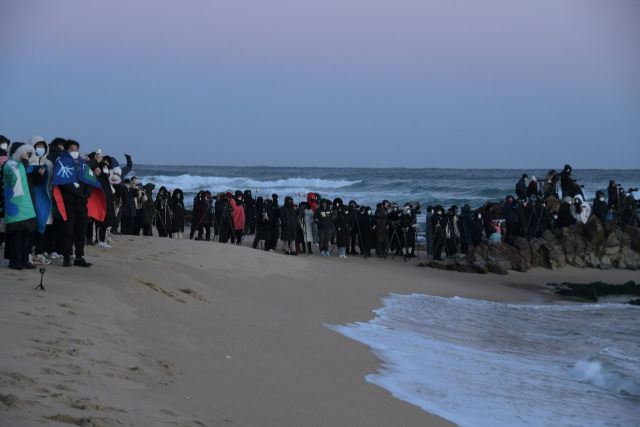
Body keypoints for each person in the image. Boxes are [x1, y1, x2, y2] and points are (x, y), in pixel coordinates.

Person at [52, 139, 103, 267]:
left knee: (81, 231)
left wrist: (86, 194)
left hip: (82, 203)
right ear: (66, 150)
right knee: (68, 230)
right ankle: (67, 256)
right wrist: (77, 193)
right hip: (69, 202)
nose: (75, 151)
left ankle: (79, 257)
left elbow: (90, 179)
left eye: (76, 149)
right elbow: (62, 181)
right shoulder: (61, 161)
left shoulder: (82, 163)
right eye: (72, 149)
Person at [2, 142, 41, 269]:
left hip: (27, 206)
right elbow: (15, 176)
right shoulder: (9, 164)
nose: (26, 156)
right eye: (24, 153)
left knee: (25, 237)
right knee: (17, 238)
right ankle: (15, 262)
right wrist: (24, 162)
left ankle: (24, 259)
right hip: (16, 207)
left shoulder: (23, 165)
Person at [27, 137, 54, 264]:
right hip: (32, 198)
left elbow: (52, 181)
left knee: (46, 226)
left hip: (46, 198)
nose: (40, 148)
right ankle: (28, 253)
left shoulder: (49, 163)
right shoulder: (27, 162)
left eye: (43, 146)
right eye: (38, 145)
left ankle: (39, 253)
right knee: (32, 227)